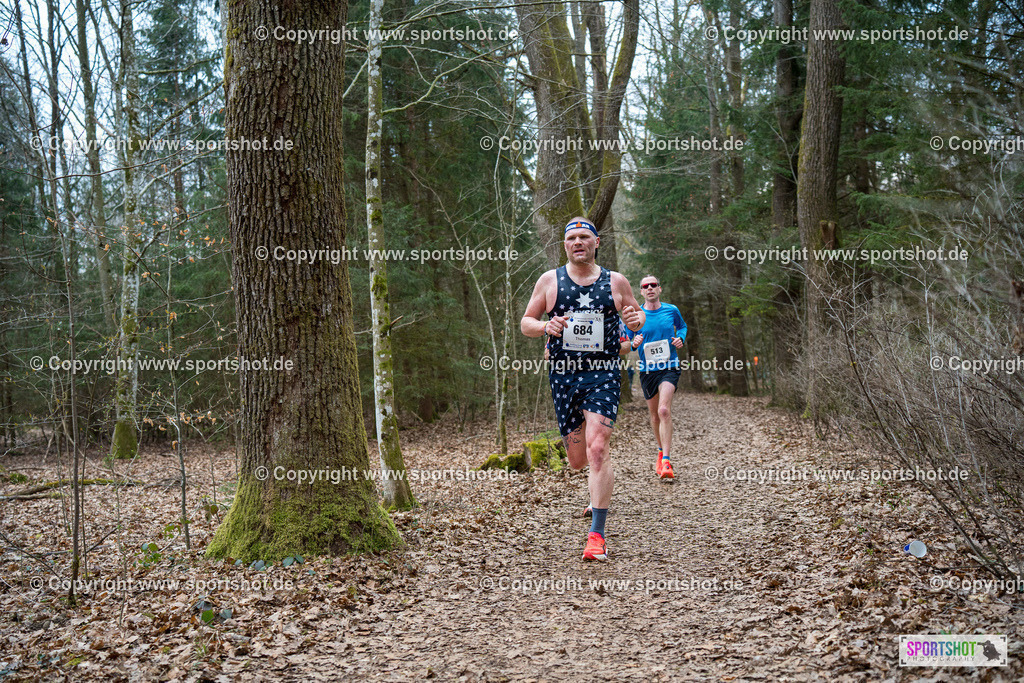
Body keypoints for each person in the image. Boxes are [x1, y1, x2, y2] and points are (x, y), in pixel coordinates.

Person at [521, 217, 644, 561]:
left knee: (598, 448)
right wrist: (546, 326)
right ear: (565, 245)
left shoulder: (616, 281)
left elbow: (637, 317)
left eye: (584, 237)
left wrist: (636, 321)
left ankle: (597, 536)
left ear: (596, 242)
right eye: (571, 238)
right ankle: (594, 490)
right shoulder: (550, 280)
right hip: (563, 375)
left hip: (603, 373)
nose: (578, 242)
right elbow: (526, 323)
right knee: (577, 461)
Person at [627, 275, 687, 480]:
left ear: (659, 289)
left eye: (653, 285)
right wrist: (634, 343)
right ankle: (661, 452)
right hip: (647, 370)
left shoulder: (671, 310)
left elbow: (683, 327)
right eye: (646, 286)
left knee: (663, 410)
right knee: (654, 416)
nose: (650, 288)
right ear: (641, 291)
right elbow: (628, 340)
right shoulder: (637, 315)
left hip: (669, 366)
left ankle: (667, 461)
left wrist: (680, 338)